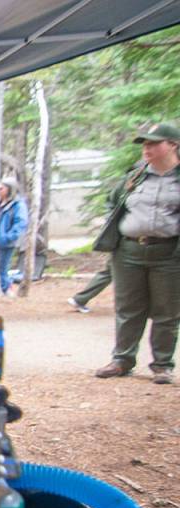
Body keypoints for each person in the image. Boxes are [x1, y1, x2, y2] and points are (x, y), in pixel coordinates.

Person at [92, 122, 180, 385]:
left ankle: (162, 364)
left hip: (168, 251)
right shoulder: (136, 175)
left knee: (167, 311)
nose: (147, 148)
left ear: (173, 145)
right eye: (144, 143)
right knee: (128, 308)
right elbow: (113, 201)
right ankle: (122, 359)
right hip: (128, 249)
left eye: (154, 143)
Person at [0, 177, 29, 294]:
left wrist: (7, 238)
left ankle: (5, 289)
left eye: (2, 188)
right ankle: (2, 288)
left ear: (10, 189)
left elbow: (21, 223)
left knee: (2, 267)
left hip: (6, 242)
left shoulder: (17, 205)